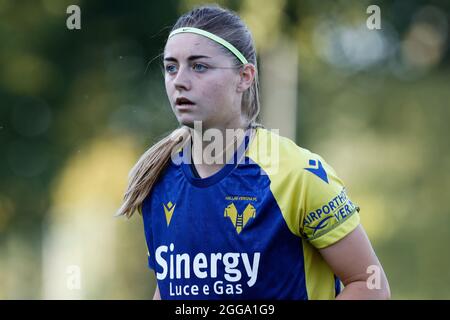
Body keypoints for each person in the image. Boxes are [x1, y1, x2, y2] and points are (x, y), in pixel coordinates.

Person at [116, 4, 390, 300]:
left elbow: (370, 285)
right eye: (171, 67)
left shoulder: (296, 173)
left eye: (199, 66)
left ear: (244, 77)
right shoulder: (158, 182)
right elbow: (169, 291)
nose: (179, 80)